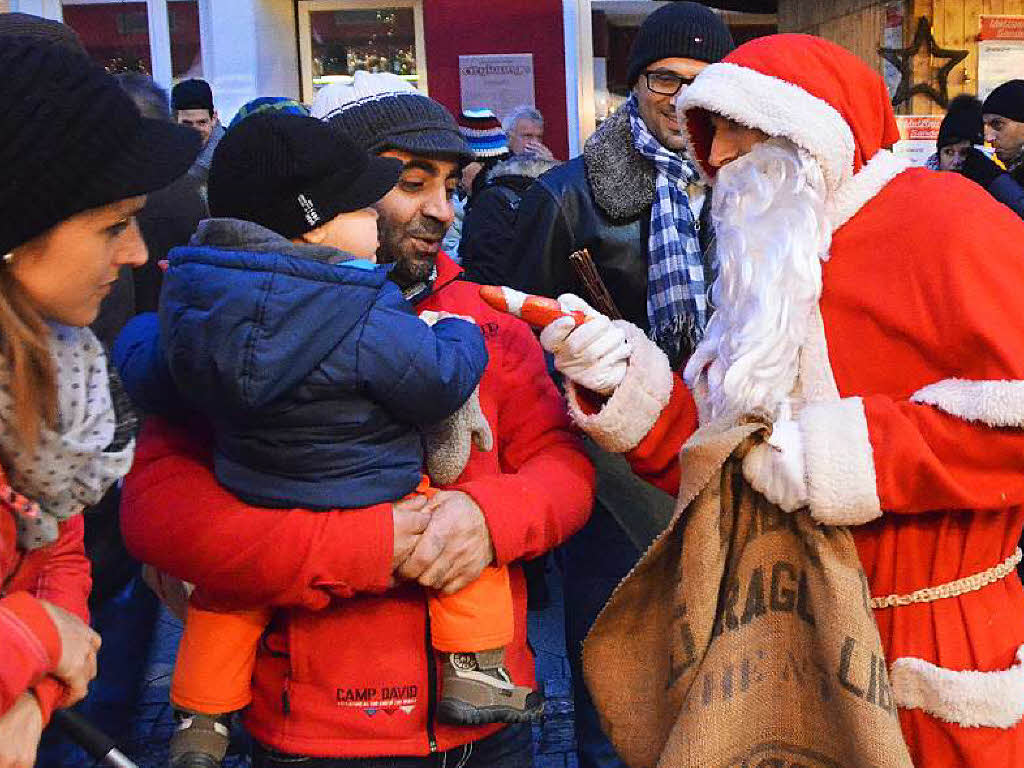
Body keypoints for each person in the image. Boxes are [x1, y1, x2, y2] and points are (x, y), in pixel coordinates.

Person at [539, 33, 1024, 768]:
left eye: (741, 128)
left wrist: (834, 453)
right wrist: (628, 384)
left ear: (813, 131)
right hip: (778, 643)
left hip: (930, 644)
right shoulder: (763, 262)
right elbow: (732, 468)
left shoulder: (950, 221)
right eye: (713, 133)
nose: (721, 156)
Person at [117, 86, 594, 768]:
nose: (442, 209)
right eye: (410, 183)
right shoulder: (234, 328)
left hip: (490, 727)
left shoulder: (482, 317)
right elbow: (162, 513)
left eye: (451, 186)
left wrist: (490, 519)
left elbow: (563, 467)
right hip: (313, 731)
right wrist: (362, 544)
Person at [511, 5, 733, 766]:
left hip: (723, 459)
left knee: (720, 668)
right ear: (634, 84)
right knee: (614, 666)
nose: (679, 97)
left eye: (700, 83)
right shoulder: (566, 197)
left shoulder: (749, 192)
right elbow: (519, 346)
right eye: (663, 78)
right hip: (611, 478)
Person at [0, 35, 199, 768]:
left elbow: (60, 555)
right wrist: (36, 640)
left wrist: (34, 690)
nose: (138, 254)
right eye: (113, 225)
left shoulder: (54, 372)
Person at [460, 153, 557, 286]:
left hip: (489, 296)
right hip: (552, 300)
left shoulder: (491, 199)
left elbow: (477, 260)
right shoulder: (557, 200)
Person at [172, 78, 225, 193]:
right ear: (174, 121)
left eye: (202, 122)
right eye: (187, 124)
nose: (195, 132)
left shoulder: (231, 154)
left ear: (214, 118)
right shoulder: (162, 152)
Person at [929, 94, 984, 171]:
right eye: (949, 152)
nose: (956, 162)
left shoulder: (992, 179)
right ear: (939, 154)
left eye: (964, 153)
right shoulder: (922, 180)